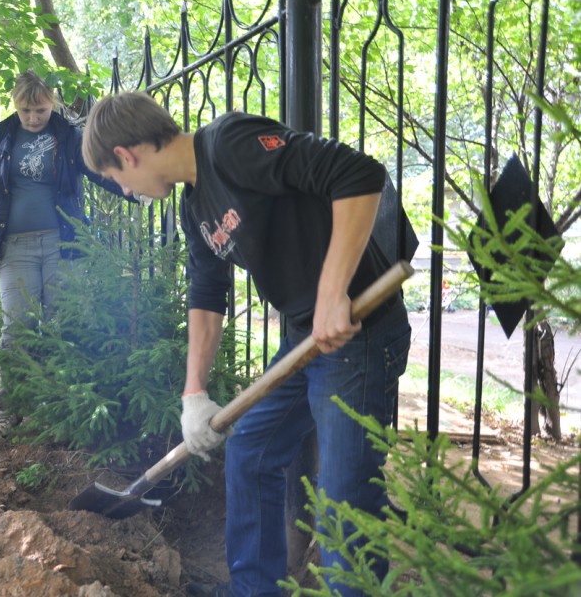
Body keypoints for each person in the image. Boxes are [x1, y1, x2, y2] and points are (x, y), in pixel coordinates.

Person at [82, 91, 411, 596]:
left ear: (126, 155)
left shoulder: (229, 144)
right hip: (306, 338)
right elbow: (207, 295)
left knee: (344, 499)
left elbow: (358, 173)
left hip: (359, 338)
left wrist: (332, 291)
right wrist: (194, 394)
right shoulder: (195, 209)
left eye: (114, 179)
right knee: (251, 451)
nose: (124, 190)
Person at [0, 71, 133, 437]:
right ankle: (9, 410)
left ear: (52, 104)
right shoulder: (0, 136)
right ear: (16, 106)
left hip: (64, 244)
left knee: (63, 323)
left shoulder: (67, 135)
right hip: (15, 248)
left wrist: (134, 186)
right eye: (26, 110)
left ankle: (63, 406)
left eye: (40, 110)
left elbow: (97, 169)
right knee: (17, 328)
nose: (33, 118)